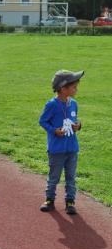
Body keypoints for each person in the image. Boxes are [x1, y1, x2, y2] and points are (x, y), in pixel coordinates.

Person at [39, 70, 84, 215]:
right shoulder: (52, 105)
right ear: (63, 89)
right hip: (56, 149)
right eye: (74, 87)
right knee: (54, 176)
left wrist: (78, 125)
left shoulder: (74, 103)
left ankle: (70, 201)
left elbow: (75, 119)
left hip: (72, 148)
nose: (76, 89)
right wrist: (54, 130)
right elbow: (43, 121)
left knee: (71, 176)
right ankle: (49, 199)